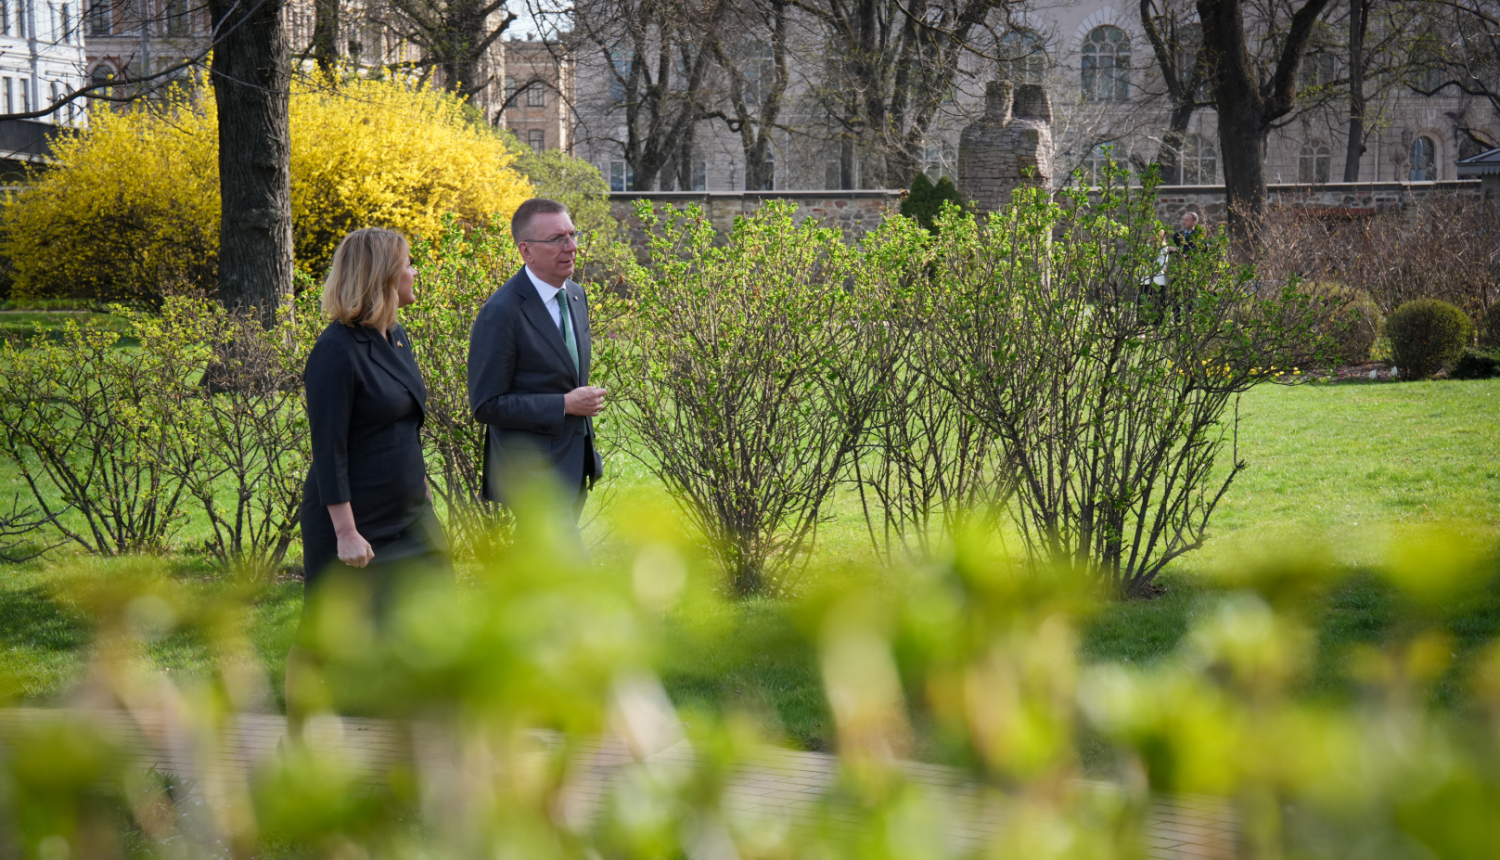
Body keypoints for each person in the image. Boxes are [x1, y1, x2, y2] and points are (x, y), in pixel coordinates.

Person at [288, 227, 451, 740]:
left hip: (409, 512)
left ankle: (423, 731)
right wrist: (345, 532)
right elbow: (328, 447)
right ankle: (300, 736)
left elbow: (402, 421)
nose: (414, 272)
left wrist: (419, 482)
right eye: (407, 264)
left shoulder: (395, 336)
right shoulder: (336, 350)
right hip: (353, 519)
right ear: (381, 276)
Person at [467, 198, 604, 550]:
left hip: (574, 465)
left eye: (572, 235)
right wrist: (564, 404)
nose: (571, 246)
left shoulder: (575, 296)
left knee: (542, 572)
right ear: (526, 250)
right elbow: (486, 404)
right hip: (532, 475)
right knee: (572, 571)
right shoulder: (501, 312)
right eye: (557, 239)